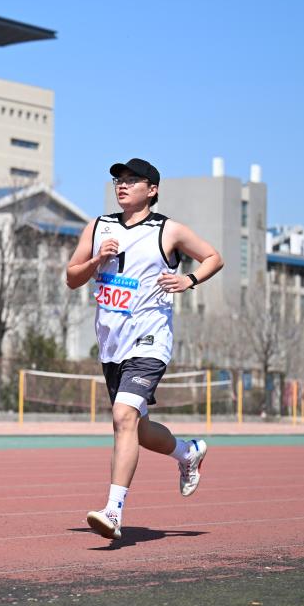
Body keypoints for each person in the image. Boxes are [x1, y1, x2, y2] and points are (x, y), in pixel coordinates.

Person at [65, 158, 224, 541]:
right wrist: (96, 260)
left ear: (152, 189)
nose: (122, 185)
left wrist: (189, 279)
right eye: (118, 180)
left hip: (150, 340)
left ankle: (113, 511)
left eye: (132, 180)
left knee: (122, 417)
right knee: (136, 428)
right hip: (112, 344)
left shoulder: (168, 230)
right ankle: (187, 452)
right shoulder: (98, 227)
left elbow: (214, 258)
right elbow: (71, 277)